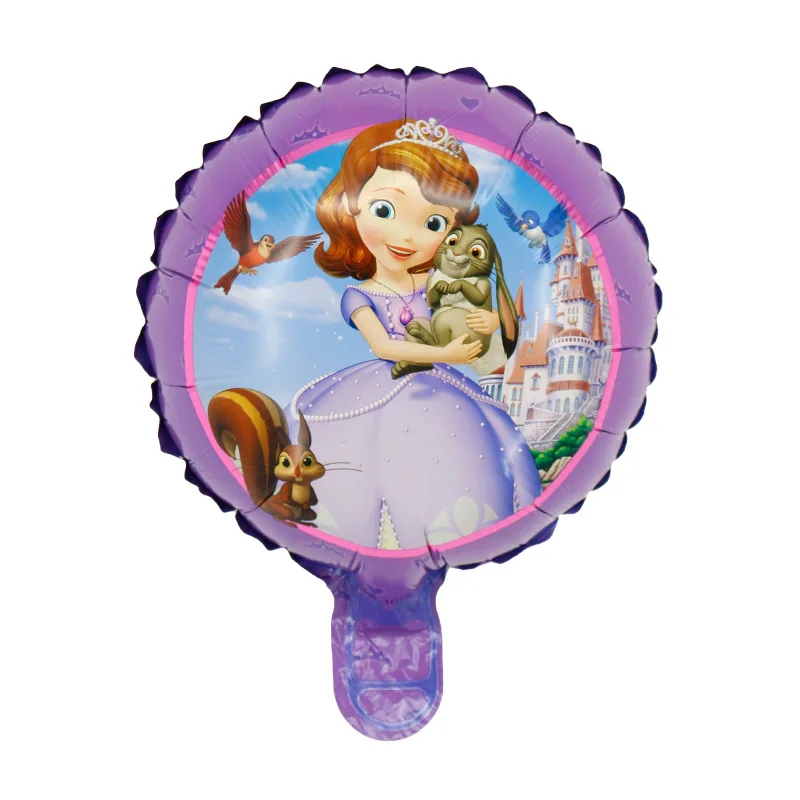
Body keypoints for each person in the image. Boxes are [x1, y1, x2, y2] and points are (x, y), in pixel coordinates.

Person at [288, 119, 541, 549]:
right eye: (385, 211)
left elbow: (467, 313)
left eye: (434, 222)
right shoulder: (359, 295)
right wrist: (448, 355)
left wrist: (488, 322)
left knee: (467, 451)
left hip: (441, 387)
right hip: (387, 379)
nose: (407, 236)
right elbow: (384, 345)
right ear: (350, 207)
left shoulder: (437, 282)